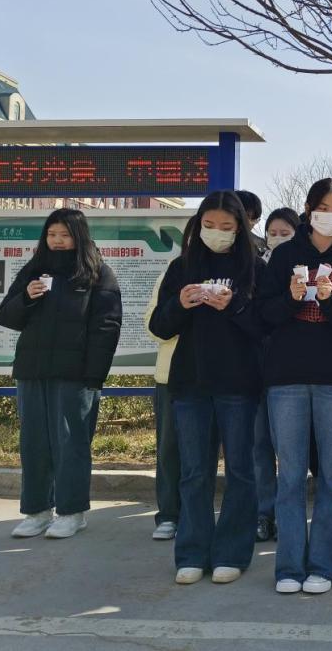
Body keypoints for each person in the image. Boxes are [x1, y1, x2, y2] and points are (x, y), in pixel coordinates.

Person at [258, 178, 332, 595]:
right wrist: (291, 298)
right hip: (285, 377)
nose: (331, 215)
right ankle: (289, 566)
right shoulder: (285, 254)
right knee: (290, 476)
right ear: (308, 210)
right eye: (323, 207)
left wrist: (329, 300)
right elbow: (264, 314)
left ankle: (324, 565)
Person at [149, 192, 265, 585]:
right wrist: (180, 304)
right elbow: (160, 327)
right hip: (190, 384)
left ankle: (232, 552)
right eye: (209, 225)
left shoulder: (255, 268)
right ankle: (192, 552)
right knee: (195, 471)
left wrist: (234, 306)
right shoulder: (182, 267)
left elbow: (266, 326)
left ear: (241, 228)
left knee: (240, 471)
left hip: (239, 384)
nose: (217, 233)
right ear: (197, 225)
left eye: (227, 227)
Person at [0, 208, 123, 540]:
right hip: (32, 372)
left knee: (71, 445)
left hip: (74, 376)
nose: (57, 241)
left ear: (79, 237)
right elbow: (6, 316)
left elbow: (107, 328)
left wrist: (93, 378)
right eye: (52, 234)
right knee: (34, 444)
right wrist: (26, 298)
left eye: (65, 235)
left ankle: (71, 512)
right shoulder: (33, 270)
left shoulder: (98, 274)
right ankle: (38, 511)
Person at [144, 218, 197, 542]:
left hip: (218, 377)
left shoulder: (235, 274)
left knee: (208, 453)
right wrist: (180, 307)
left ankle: (198, 516)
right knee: (170, 450)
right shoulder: (172, 273)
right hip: (172, 376)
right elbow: (154, 326)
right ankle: (169, 514)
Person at [254, 207, 303, 544]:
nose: (278, 238)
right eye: (273, 233)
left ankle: (289, 515)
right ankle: (263, 512)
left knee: (290, 450)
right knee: (259, 446)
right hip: (256, 367)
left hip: (291, 369)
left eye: (286, 233)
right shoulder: (255, 268)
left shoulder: (304, 271)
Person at [235, 189, 268, 257]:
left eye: (254, 219)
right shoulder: (216, 242)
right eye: (245, 216)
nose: (249, 223)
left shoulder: (258, 249)